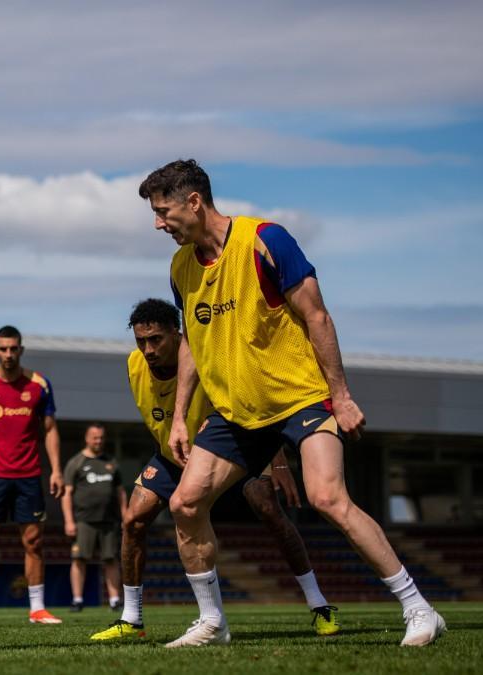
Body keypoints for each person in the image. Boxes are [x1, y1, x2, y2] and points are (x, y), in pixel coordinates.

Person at [141, 159, 445, 648]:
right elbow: (193, 346)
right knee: (184, 502)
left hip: (300, 399)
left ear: (193, 201)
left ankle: (419, 608)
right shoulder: (180, 268)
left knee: (328, 499)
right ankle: (212, 623)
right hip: (236, 414)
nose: (158, 223)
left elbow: (318, 317)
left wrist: (341, 397)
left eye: (163, 211)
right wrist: (179, 416)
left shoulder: (267, 239)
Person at [90, 299, 339, 642]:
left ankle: (319, 605)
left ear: (178, 335)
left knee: (269, 510)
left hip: (226, 451)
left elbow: (254, 407)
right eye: (141, 341)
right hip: (172, 456)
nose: (147, 349)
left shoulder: (204, 362)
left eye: (156, 340)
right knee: (133, 519)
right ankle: (132, 618)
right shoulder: (134, 365)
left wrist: (276, 460)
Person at [0, 325, 65, 625]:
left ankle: (37, 609)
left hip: (29, 475)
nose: (8, 354)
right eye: (3, 348)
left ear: (21, 350)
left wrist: (56, 470)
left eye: (13, 348)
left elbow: (50, 429)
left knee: (33, 541)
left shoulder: (39, 385)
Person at [62, 423, 126, 613]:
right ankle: (77, 600)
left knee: (111, 559)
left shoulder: (111, 462)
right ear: (87, 439)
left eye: (101, 438)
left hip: (110, 521)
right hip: (84, 521)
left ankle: (115, 600)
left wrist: (125, 516)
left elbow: (121, 492)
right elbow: (67, 493)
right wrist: (69, 521)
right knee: (79, 559)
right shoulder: (76, 462)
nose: (98, 441)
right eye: (95, 437)